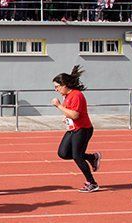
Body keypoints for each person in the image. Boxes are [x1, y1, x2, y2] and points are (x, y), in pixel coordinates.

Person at [51, 65, 102, 193]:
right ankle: (91, 157)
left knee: (77, 157)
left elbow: (75, 115)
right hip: (73, 129)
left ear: (64, 85)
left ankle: (92, 183)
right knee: (63, 153)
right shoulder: (68, 96)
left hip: (83, 129)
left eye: (57, 86)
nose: (55, 89)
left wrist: (58, 106)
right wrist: (66, 117)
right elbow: (71, 113)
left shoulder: (76, 95)